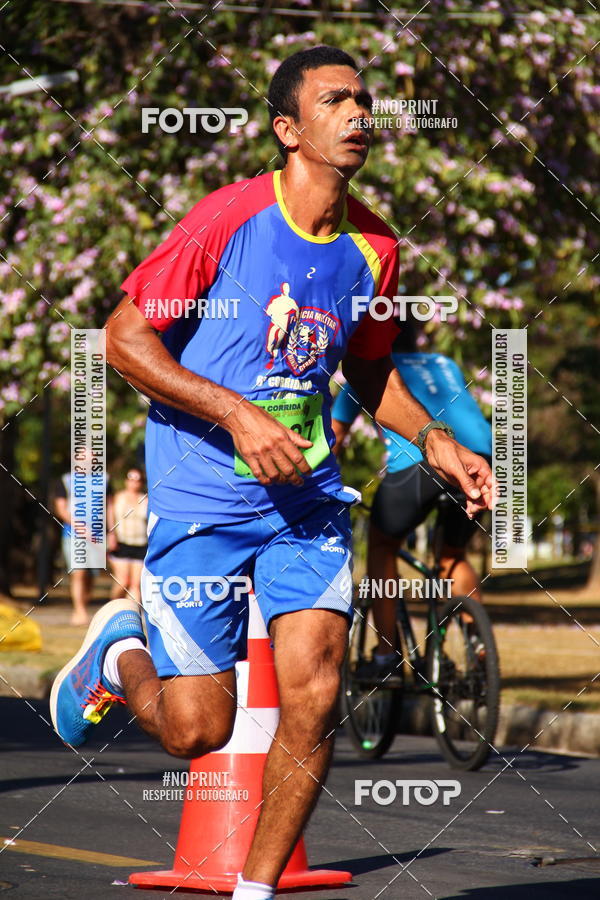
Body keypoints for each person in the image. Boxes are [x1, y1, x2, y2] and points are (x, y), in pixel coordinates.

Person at [50, 46, 493, 900]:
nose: (360, 113)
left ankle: (255, 892)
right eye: (336, 101)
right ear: (289, 129)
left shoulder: (374, 246)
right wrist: (236, 411)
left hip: (308, 502)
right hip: (202, 495)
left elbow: (367, 372)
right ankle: (116, 654)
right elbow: (123, 340)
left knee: (317, 697)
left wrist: (436, 440)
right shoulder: (227, 219)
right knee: (196, 730)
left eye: (364, 99)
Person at [332, 335, 492, 682]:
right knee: (453, 554)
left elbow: (335, 437)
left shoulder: (367, 366)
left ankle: (387, 656)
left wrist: (326, 487)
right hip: (481, 460)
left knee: (381, 545)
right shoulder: (444, 364)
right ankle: (480, 651)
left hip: (423, 462)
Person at [54, 470, 112, 626]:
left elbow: (109, 506)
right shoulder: (66, 480)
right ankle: (79, 610)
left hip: (97, 535)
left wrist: (111, 531)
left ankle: (84, 604)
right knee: (78, 572)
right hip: (73, 535)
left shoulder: (104, 479)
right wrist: (81, 528)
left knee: (91, 574)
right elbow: (61, 508)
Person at [107, 468, 148, 605]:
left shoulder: (146, 500)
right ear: (126, 480)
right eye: (131, 478)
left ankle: (133, 617)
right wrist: (111, 534)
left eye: (138, 479)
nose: (134, 483)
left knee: (135, 585)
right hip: (121, 543)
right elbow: (110, 518)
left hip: (140, 544)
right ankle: (113, 608)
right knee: (123, 581)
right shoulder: (117, 497)